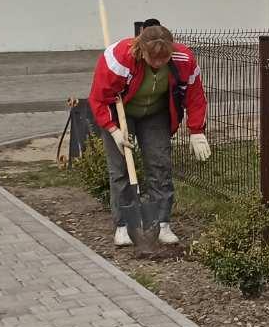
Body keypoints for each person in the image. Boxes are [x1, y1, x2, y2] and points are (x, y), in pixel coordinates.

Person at [88, 19, 210, 253]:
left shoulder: (184, 59)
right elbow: (98, 98)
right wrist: (113, 130)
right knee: (121, 169)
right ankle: (123, 225)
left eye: (163, 58)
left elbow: (195, 96)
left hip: (156, 113)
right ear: (141, 50)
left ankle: (161, 223)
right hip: (121, 113)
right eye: (153, 59)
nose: (158, 63)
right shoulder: (119, 60)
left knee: (160, 165)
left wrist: (196, 130)